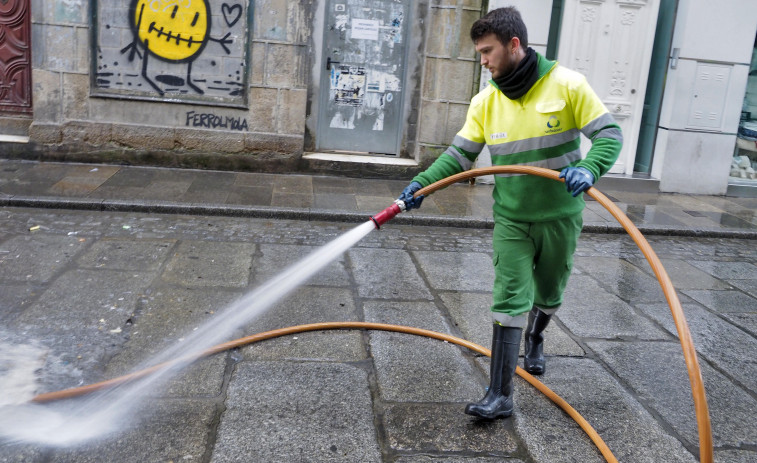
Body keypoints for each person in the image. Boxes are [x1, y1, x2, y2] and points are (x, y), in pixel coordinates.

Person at [397, 7, 622, 420]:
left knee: (550, 292)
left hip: (559, 216)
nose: (482, 61)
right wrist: (422, 185)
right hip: (512, 219)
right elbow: (459, 155)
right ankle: (499, 394)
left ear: (513, 45)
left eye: (487, 51)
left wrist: (589, 168)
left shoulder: (568, 84)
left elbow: (609, 134)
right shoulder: (485, 101)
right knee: (508, 299)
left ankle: (535, 338)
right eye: (480, 53)